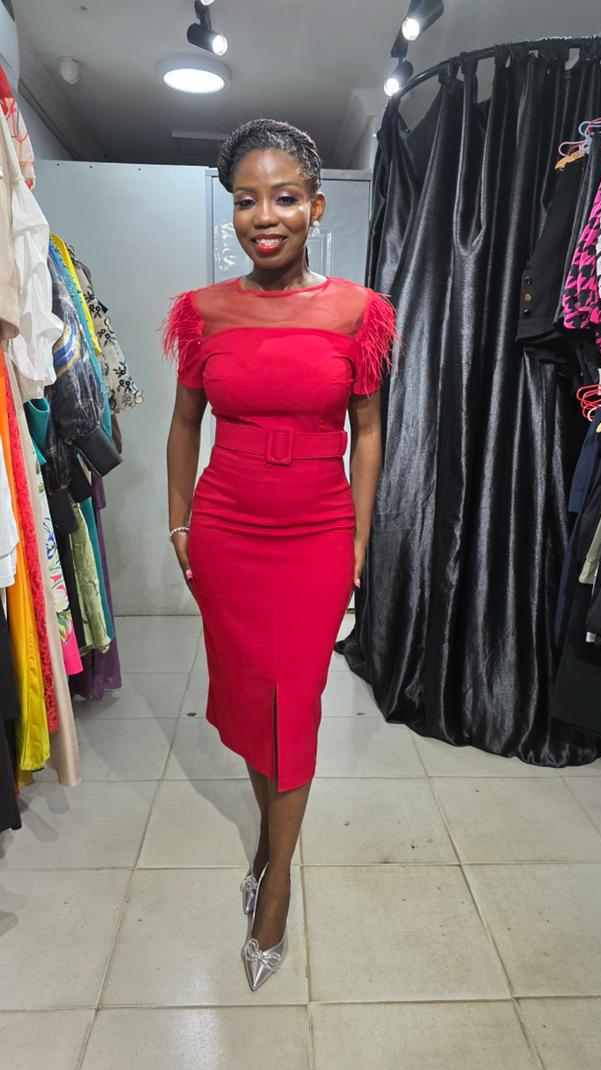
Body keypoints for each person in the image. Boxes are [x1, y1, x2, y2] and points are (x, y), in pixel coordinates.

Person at [163, 118, 395, 991]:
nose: (265, 216)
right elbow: (184, 423)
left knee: (292, 705)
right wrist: (178, 524)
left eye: (285, 197)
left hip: (316, 534)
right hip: (226, 531)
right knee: (250, 700)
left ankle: (278, 884)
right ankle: (268, 837)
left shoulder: (357, 312)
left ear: (316, 207)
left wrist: (360, 536)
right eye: (246, 200)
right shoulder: (203, 312)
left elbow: (367, 431)